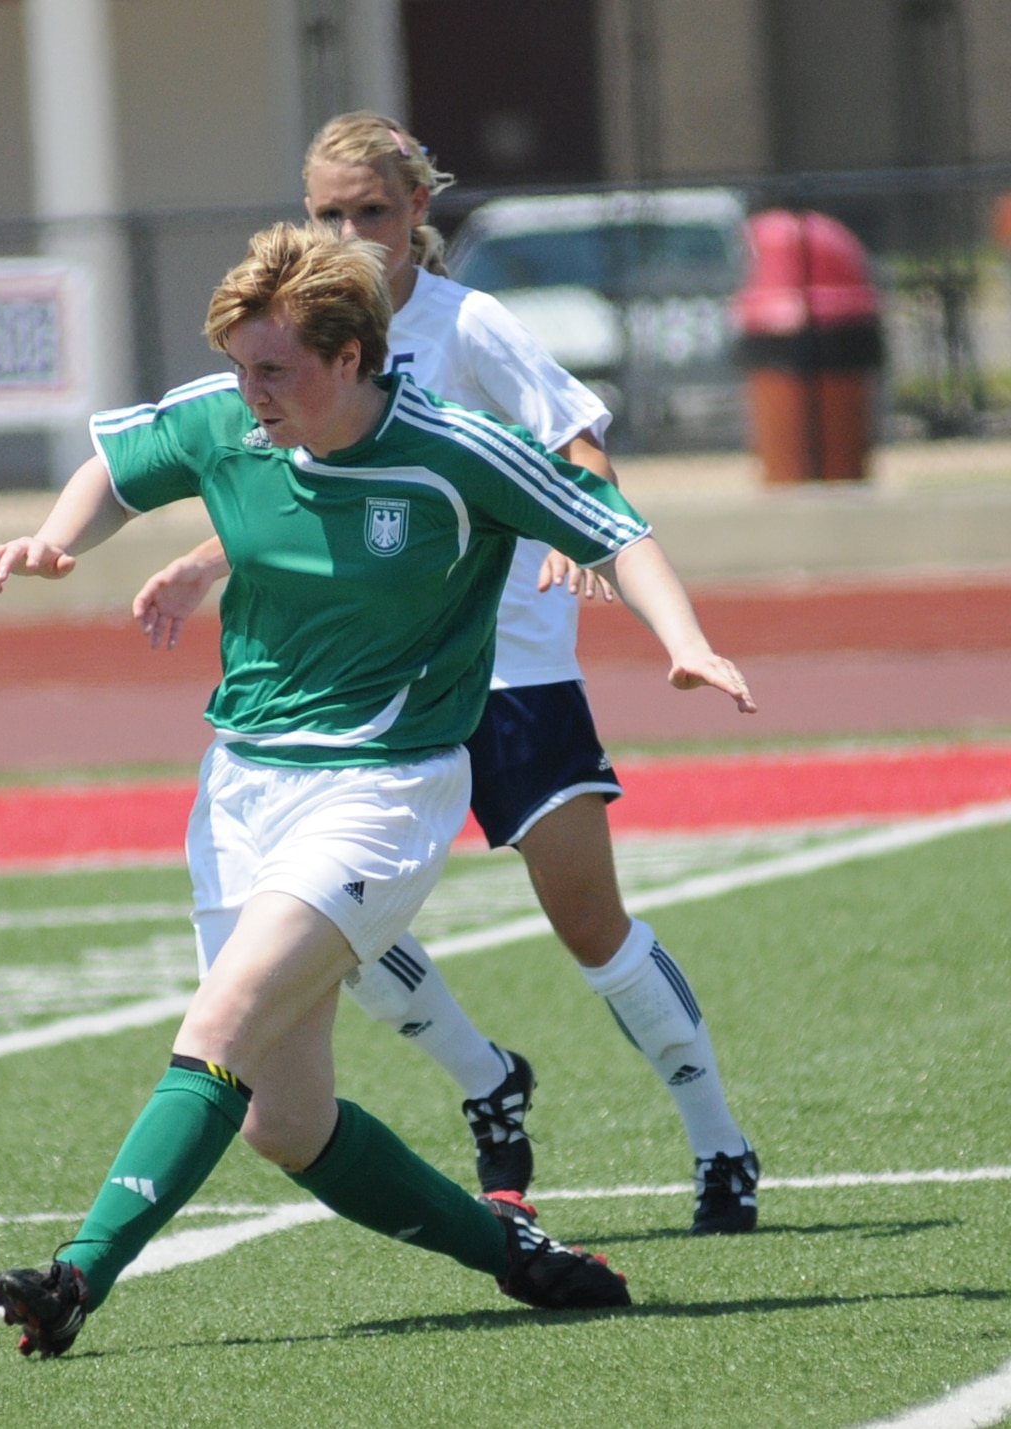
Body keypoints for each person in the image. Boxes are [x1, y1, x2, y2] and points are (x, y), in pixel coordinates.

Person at [0, 221, 753, 1357]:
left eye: (273, 370)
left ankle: (75, 1276)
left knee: (221, 1023)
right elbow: (120, 463)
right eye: (240, 367)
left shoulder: (454, 450)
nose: (246, 393)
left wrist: (681, 640)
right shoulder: (229, 414)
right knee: (284, 1124)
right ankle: (513, 1256)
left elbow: (616, 532)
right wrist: (56, 538)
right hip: (237, 789)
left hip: (381, 794)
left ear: (351, 358)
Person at [131, 113, 761, 1235]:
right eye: (326, 212)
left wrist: (584, 529)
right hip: (368, 696)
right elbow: (300, 493)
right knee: (334, 932)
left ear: (416, 211)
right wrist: (200, 561)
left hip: (511, 675)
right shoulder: (296, 342)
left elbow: (571, 443)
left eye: (369, 211)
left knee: (586, 921)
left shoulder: (466, 323)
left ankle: (716, 1138)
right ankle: (486, 1079)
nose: (348, 231)